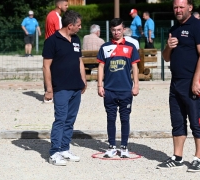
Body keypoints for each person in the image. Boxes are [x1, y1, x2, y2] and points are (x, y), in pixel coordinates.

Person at [159, 0, 200, 172]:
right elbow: (166, 58)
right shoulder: (174, 29)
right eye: (175, 7)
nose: (178, 10)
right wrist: (167, 47)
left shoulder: (198, 27)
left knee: (196, 120)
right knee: (177, 121)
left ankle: (198, 158)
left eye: (181, 6)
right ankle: (177, 157)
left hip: (193, 81)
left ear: (190, 7)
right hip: (176, 82)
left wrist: (196, 81)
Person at [43, 10, 87, 166]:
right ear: (70, 25)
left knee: (70, 121)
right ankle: (54, 152)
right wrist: (49, 89)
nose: (80, 28)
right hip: (61, 88)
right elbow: (46, 67)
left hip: (76, 87)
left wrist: (84, 80)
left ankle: (64, 149)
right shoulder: (52, 41)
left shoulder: (76, 39)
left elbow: (79, 60)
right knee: (60, 120)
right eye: (79, 25)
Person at [97, 18, 140, 158]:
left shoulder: (131, 47)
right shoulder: (105, 47)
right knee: (110, 118)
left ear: (124, 30)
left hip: (126, 90)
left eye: (119, 30)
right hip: (109, 90)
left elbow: (135, 67)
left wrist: (136, 85)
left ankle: (124, 146)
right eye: (114, 30)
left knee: (125, 119)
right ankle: (111, 146)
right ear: (111, 30)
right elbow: (101, 66)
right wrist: (99, 85)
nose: (116, 32)